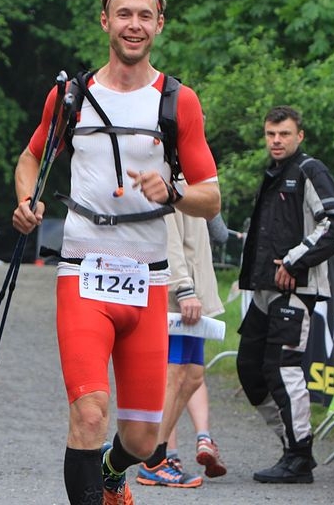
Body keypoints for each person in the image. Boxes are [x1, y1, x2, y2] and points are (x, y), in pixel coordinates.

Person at [12, 0, 220, 505]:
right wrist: (27, 201)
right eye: (124, 14)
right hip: (83, 269)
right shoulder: (72, 95)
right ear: (105, 21)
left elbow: (210, 196)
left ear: (159, 25)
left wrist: (170, 193)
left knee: (141, 438)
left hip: (146, 280)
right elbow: (33, 157)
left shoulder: (178, 101)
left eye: (144, 16)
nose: (134, 25)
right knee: (89, 413)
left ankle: (111, 473)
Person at [236, 105, 334, 484]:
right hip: (264, 289)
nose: (276, 140)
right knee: (250, 370)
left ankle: (299, 457)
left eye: (284, 134)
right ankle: (292, 444)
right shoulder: (274, 173)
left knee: (283, 369)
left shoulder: (310, 169)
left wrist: (294, 261)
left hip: (297, 289)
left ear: (299, 136)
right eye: (270, 134)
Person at [135, 204, 226, 488]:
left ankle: (157, 451)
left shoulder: (193, 177)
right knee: (173, 375)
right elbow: (168, 238)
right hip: (177, 295)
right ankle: (153, 459)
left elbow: (216, 230)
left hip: (194, 290)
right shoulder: (170, 175)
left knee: (194, 375)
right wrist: (183, 288)